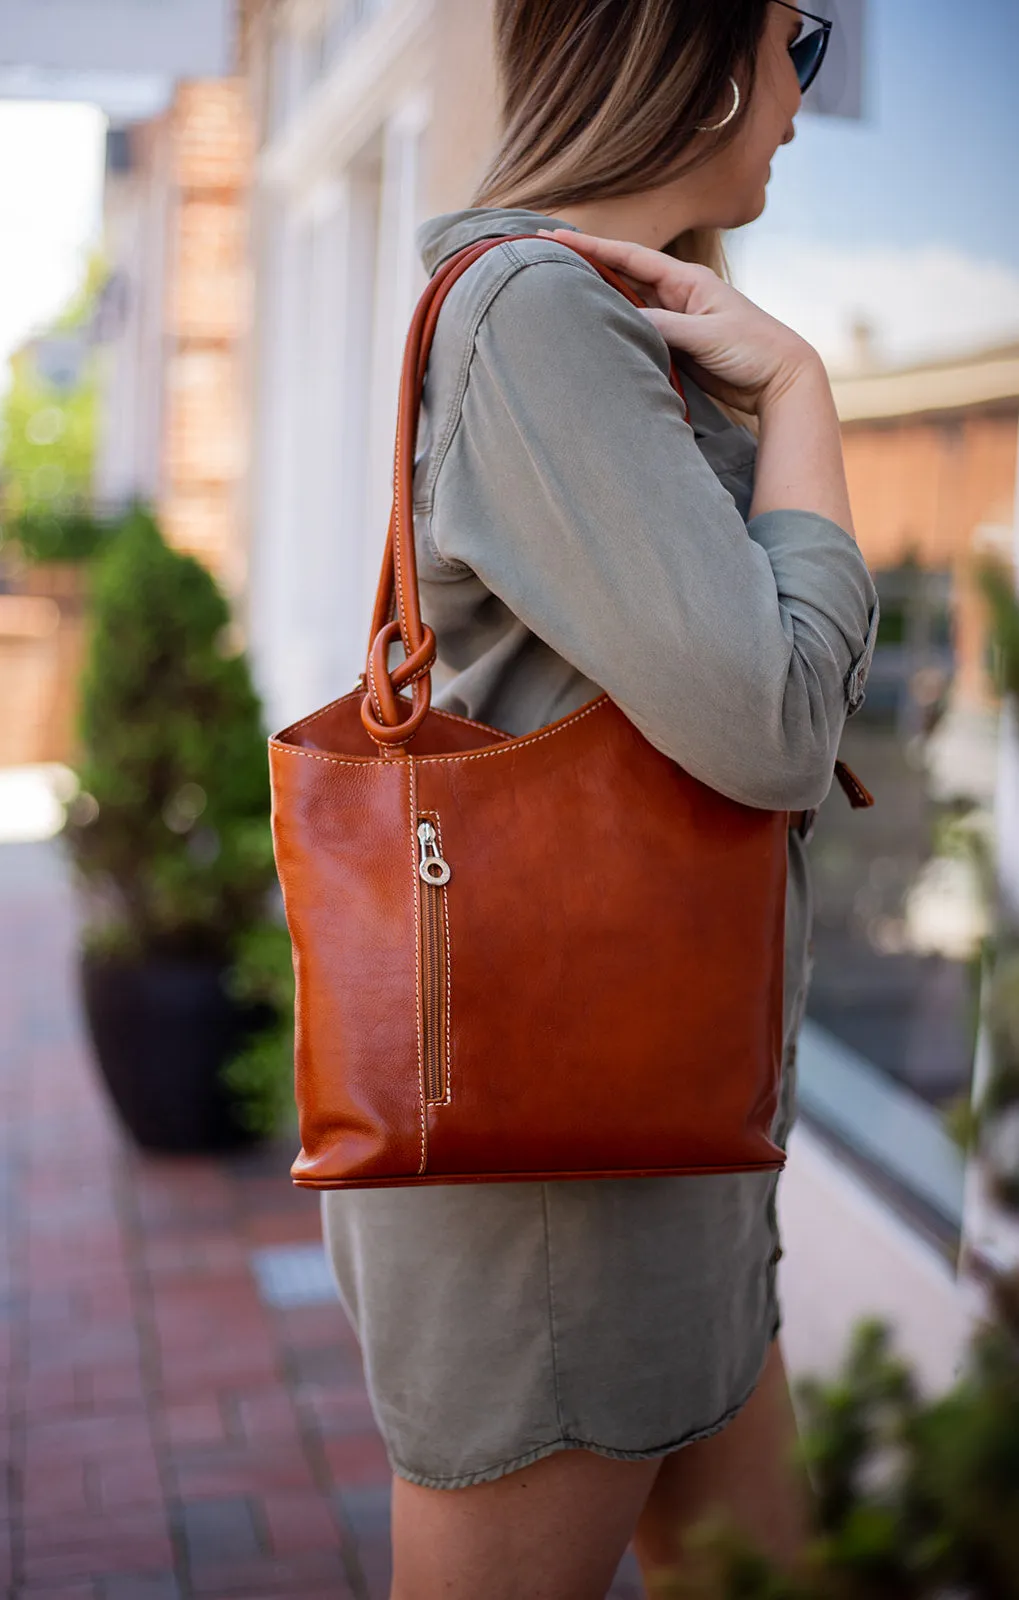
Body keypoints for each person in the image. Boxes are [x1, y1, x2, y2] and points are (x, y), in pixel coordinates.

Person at [322, 3, 880, 1595]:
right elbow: (773, 720)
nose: (801, 92)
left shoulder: (591, 324)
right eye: (799, 39)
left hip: (664, 1136)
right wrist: (802, 400)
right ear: (698, 51)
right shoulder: (532, 316)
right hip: (550, 1195)